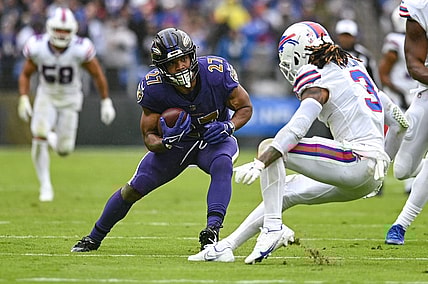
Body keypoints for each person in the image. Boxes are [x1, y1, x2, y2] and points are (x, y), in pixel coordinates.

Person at [188, 21, 408, 264]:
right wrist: (382, 166)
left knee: (269, 146)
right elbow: (399, 122)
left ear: (297, 51)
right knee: (284, 192)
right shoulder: (354, 67)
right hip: (368, 173)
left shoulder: (316, 74)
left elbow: (296, 129)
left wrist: (261, 163)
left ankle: (273, 229)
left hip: (354, 160)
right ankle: (227, 246)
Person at [70, 28, 253, 253]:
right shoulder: (153, 87)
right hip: (177, 145)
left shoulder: (216, 72)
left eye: (183, 59)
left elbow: (245, 107)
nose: (181, 67)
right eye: (172, 63)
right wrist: (165, 143)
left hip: (212, 139)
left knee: (223, 163)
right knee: (133, 189)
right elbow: (149, 136)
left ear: (192, 55)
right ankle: (94, 237)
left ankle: (212, 230)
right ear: (161, 67)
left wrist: (228, 126)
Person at [17, 7, 116, 202]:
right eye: (58, 30)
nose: (61, 34)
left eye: (65, 30)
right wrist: (23, 97)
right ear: (49, 28)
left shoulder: (81, 48)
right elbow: (26, 73)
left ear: (73, 30)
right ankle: (45, 186)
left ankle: (51, 137)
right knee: (38, 134)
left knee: (64, 149)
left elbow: (97, 74)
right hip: (46, 95)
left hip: (70, 100)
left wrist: (106, 101)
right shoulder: (37, 46)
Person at [384, 0, 428, 245]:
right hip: (425, 94)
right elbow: (414, 65)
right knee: (403, 170)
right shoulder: (420, 7)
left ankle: (399, 225)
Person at [379, 6, 419, 194]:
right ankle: (385, 179)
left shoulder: (417, 40)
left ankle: (412, 179)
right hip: (399, 98)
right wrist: (399, 94)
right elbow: (384, 73)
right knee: (406, 137)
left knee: (415, 137)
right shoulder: (395, 41)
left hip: (413, 94)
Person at [335, 19, 381, 86]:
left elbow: (374, 80)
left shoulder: (364, 56)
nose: (345, 39)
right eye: (343, 36)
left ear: (354, 37)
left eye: (348, 36)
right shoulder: (330, 54)